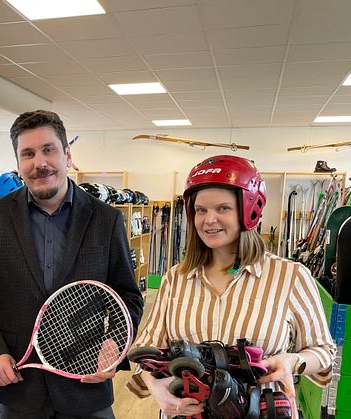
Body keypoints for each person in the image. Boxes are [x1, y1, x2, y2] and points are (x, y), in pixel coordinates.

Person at [0, 110, 144, 419]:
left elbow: (127, 297)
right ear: (18, 163)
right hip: (19, 388)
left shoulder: (106, 219)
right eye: (28, 154)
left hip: (86, 383)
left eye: (49, 150)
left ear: (67, 154)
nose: (40, 163)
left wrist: (114, 343)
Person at [126, 155, 335, 418]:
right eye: (200, 210)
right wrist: (154, 385)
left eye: (222, 208)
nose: (208, 219)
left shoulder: (290, 277)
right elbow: (148, 353)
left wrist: (293, 361)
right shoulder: (175, 278)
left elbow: (324, 351)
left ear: (249, 210)